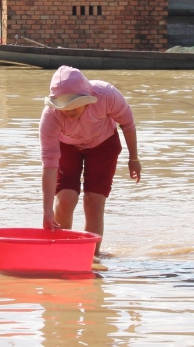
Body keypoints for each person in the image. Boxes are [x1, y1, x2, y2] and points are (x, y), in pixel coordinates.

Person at [39, 66, 140, 267]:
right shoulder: (50, 117)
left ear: (87, 98)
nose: (68, 112)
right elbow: (49, 164)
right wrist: (47, 210)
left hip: (103, 144)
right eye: (63, 107)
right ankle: (60, 253)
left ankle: (91, 258)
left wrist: (133, 158)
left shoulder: (107, 95)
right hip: (66, 146)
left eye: (74, 106)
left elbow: (128, 124)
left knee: (93, 201)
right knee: (66, 199)